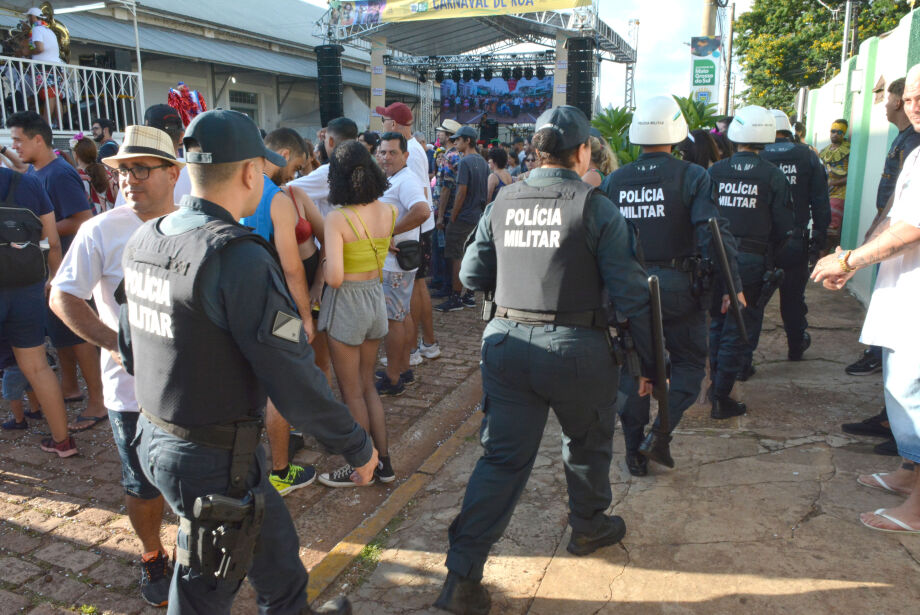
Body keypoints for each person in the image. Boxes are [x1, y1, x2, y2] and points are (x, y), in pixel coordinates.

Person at [121, 109, 373, 614]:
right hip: (211, 462)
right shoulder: (236, 256)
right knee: (200, 596)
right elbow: (293, 375)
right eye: (263, 166)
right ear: (248, 172)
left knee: (280, 568)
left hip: (160, 438)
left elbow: (131, 348)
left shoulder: (148, 236)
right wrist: (356, 446)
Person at [434, 106, 657, 614]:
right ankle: (589, 527)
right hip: (580, 350)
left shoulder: (504, 200)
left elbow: (471, 274)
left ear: (536, 152)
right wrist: (648, 365)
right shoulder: (595, 206)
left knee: (502, 460)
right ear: (583, 153)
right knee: (587, 441)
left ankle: (461, 578)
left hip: (508, 345)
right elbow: (631, 293)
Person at [50, 125, 179, 606]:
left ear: (173, 173)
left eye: (141, 168)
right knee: (141, 482)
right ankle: (151, 555)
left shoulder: (195, 226)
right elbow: (63, 296)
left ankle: (198, 551)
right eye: (122, 170)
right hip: (130, 391)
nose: (129, 179)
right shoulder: (100, 230)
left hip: (191, 387)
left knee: (196, 478)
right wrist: (115, 344)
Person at [601, 95, 743, 476]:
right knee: (690, 365)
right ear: (678, 134)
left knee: (633, 370)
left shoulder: (616, 180)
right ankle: (659, 435)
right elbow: (713, 231)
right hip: (680, 289)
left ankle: (634, 453)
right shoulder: (693, 176)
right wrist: (733, 283)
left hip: (629, 290)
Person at [810, 63, 920, 536]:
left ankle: (917, 507)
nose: (914, 103)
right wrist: (850, 257)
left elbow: (913, 229)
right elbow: (894, 215)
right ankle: (909, 473)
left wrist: (851, 260)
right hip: (903, 292)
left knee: (915, 395)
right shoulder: (915, 152)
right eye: (911, 95)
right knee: (904, 390)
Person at [7, 110, 107, 432]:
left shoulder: (60, 173)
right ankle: (70, 388)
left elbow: (83, 217)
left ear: (38, 139)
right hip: (51, 267)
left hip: (68, 267)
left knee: (79, 335)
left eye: (18, 141)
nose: (15, 147)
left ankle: (97, 401)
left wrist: (38, 229)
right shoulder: (37, 171)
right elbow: (19, 170)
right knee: (60, 334)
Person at [239, 127, 322, 496]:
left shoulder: (234, 191)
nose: (298, 173)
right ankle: (280, 470)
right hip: (278, 309)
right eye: (298, 165)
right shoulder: (276, 199)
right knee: (281, 384)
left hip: (237, 302)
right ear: (284, 155)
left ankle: (246, 464)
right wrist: (305, 316)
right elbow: (291, 268)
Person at [316, 141, 396, 488]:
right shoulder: (388, 211)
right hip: (375, 299)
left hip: (347, 303)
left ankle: (361, 466)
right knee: (368, 387)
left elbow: (333, 277)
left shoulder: (338, 218)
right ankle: (385, 464)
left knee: (350, 393)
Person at [708, 105, 795, 419]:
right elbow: (786, 228)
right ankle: (721, 395)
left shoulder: (715, 171)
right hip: (751, 261)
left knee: (717, 323)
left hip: (715, 257)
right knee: (738, 327)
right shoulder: (772, 175)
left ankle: (714, 385)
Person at [0, 163, 72, 455]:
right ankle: (63, 441)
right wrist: (53, 280)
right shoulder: (27, 183)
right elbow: (52, 241)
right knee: (38, 367)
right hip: (26, 287)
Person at [289, 117, 360, 385]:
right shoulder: (365, 170)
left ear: (329, 141)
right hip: (358, 263)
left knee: (318, 343)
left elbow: (285, 191)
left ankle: (325, 400)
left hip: (327, 264)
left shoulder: (328, 173)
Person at [762, 109, 830, 367]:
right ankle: (795, 346)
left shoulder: (759, 155)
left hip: (762, 243)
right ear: (790, 131)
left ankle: (743, 361)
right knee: (792, 298)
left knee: (755, 301)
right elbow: (820, 200)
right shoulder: (807, 156)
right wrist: (820, 238)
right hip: (795, 241)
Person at [377, 103, 440, 365]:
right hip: (416, 229)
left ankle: (412, 351)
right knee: (415, 289)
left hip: (412, 233)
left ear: (393, 124)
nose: (385, 157)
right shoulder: (413, 148)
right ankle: (424, 345)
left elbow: (420, 202)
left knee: (408, 295)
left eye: (384, 120)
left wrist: (392, 230)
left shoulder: (410, 152)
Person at [374, 132, 430, 396]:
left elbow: (422, 210)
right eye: (382, 152)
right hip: (398, 262)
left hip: (395, 263)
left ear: (405, 156)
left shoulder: (405, 180)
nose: (386, 157)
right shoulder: (395, 178)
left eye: (392, 152)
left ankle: (393, 377)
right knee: (402, 315)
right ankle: (403, 368)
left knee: (394, 321)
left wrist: (390, 232)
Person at [435, 125, 488, 312]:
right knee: (469, 256)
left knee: (456, 257)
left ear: (468, 141)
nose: (455, 142)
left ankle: (456, 297)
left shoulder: (465, 162)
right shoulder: (482, 161)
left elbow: (461, 192)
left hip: (463, 216)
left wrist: (453, 216)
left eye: (458, 139)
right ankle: (469, 296)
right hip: (476, 215)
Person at [819, 119, 850, 242]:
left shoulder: (848, 150)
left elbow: (852, 175)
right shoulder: (825, 151)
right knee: (822, 227)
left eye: (839, 132)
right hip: (825, 193)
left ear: (843, 134)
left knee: (831, 231)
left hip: (839, 193)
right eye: (833, 131)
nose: (835, 134)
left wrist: (834, 183)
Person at [72, 137, 117, 214]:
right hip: (110, 218)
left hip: (90, 220)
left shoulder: (76, 177)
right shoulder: (107, 173)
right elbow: (116, 198)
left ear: (76, 154)